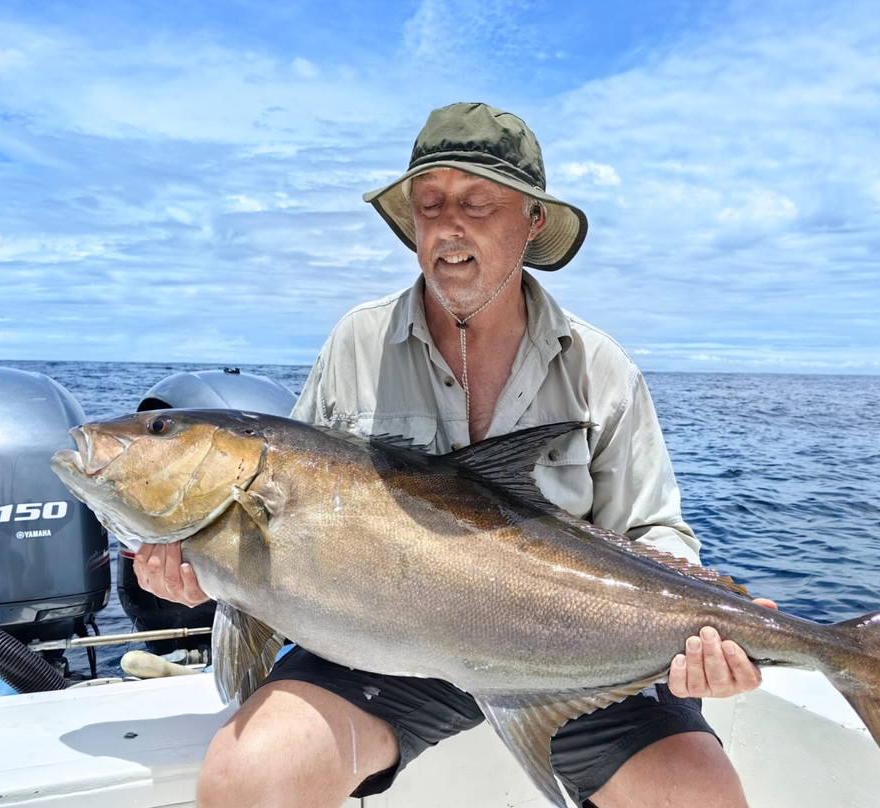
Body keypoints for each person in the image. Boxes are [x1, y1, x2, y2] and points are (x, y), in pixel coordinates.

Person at [135, 102, 774, 808]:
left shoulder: (600, 367)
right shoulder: (357, 344)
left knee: (701, 796)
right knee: (244, 779)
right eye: (430, 204)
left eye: (477, 203)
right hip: (383, 650)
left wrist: (710, 630)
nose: (448, 227)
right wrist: (210, 578)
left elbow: (654, 532)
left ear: (533, 220)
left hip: (567, 655)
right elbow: (287, 528)